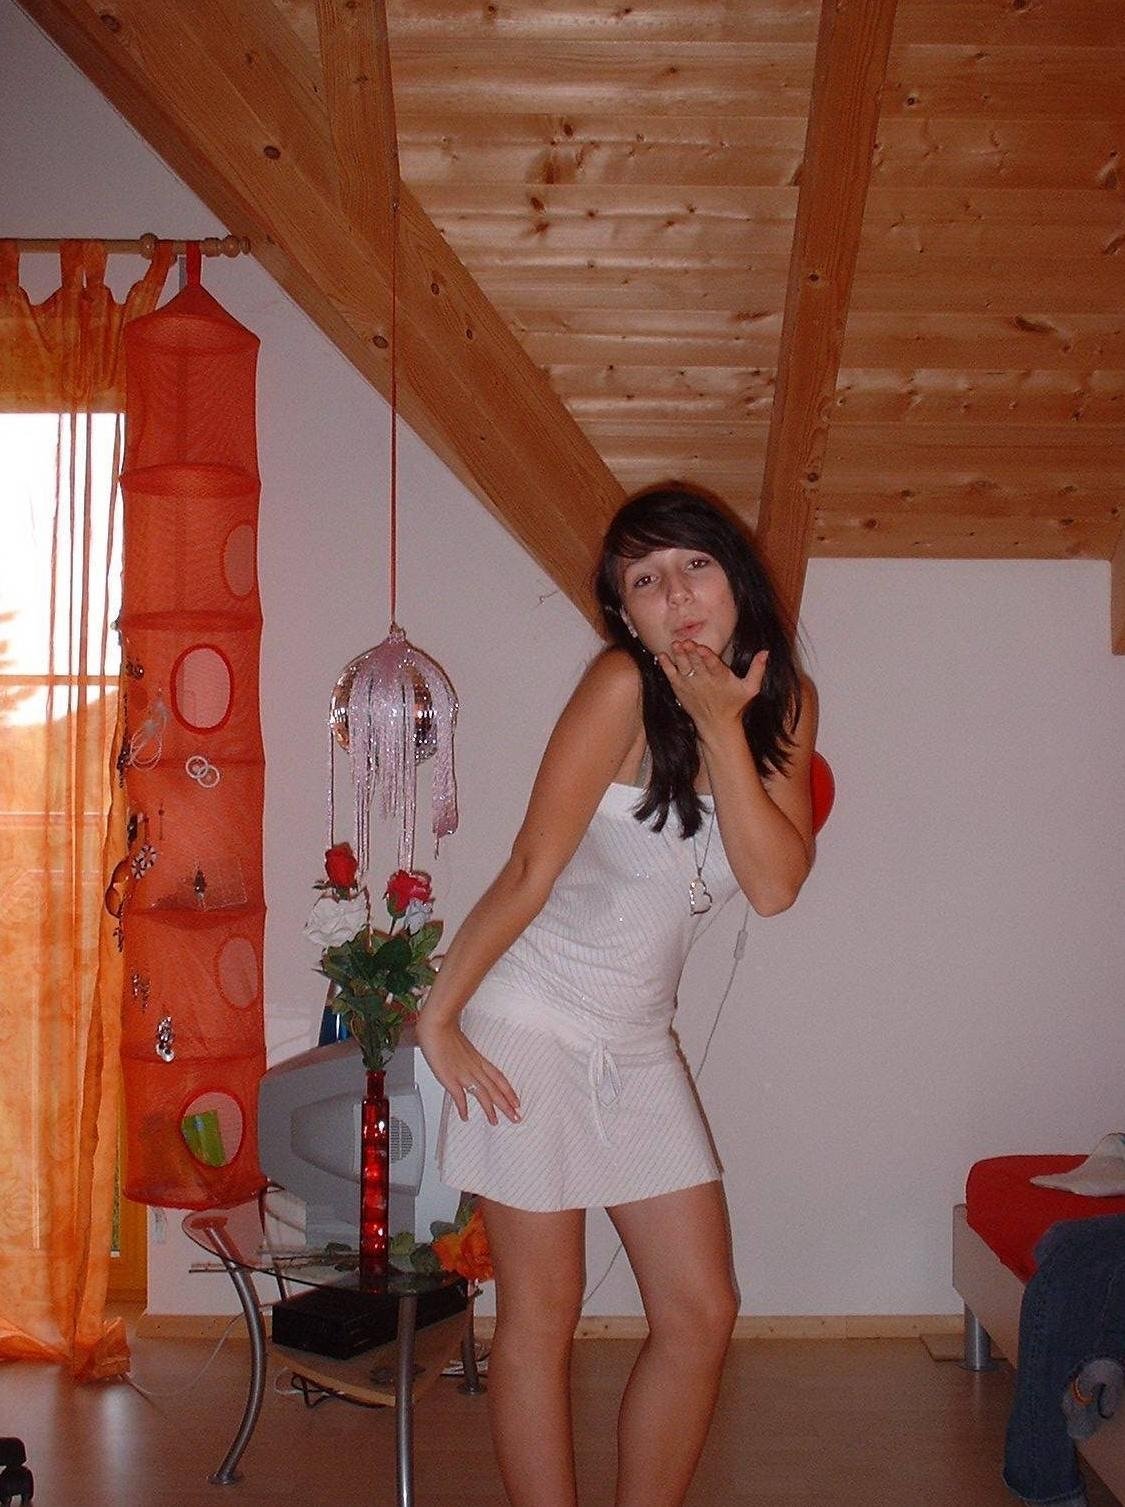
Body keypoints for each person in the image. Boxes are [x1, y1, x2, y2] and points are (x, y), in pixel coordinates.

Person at [416, 483, 818, 1507]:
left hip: (634, 1039)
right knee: (542, 1314)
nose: (675, 595)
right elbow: (529, 867)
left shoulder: (784, 702)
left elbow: (774, 884)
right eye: (645, 580)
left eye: (694, 565)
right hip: (529, 1021)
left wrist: (721, 728)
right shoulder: (617, 688)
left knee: (701, 1310)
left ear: (736, 579)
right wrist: (437, 1016)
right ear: (626, 615)